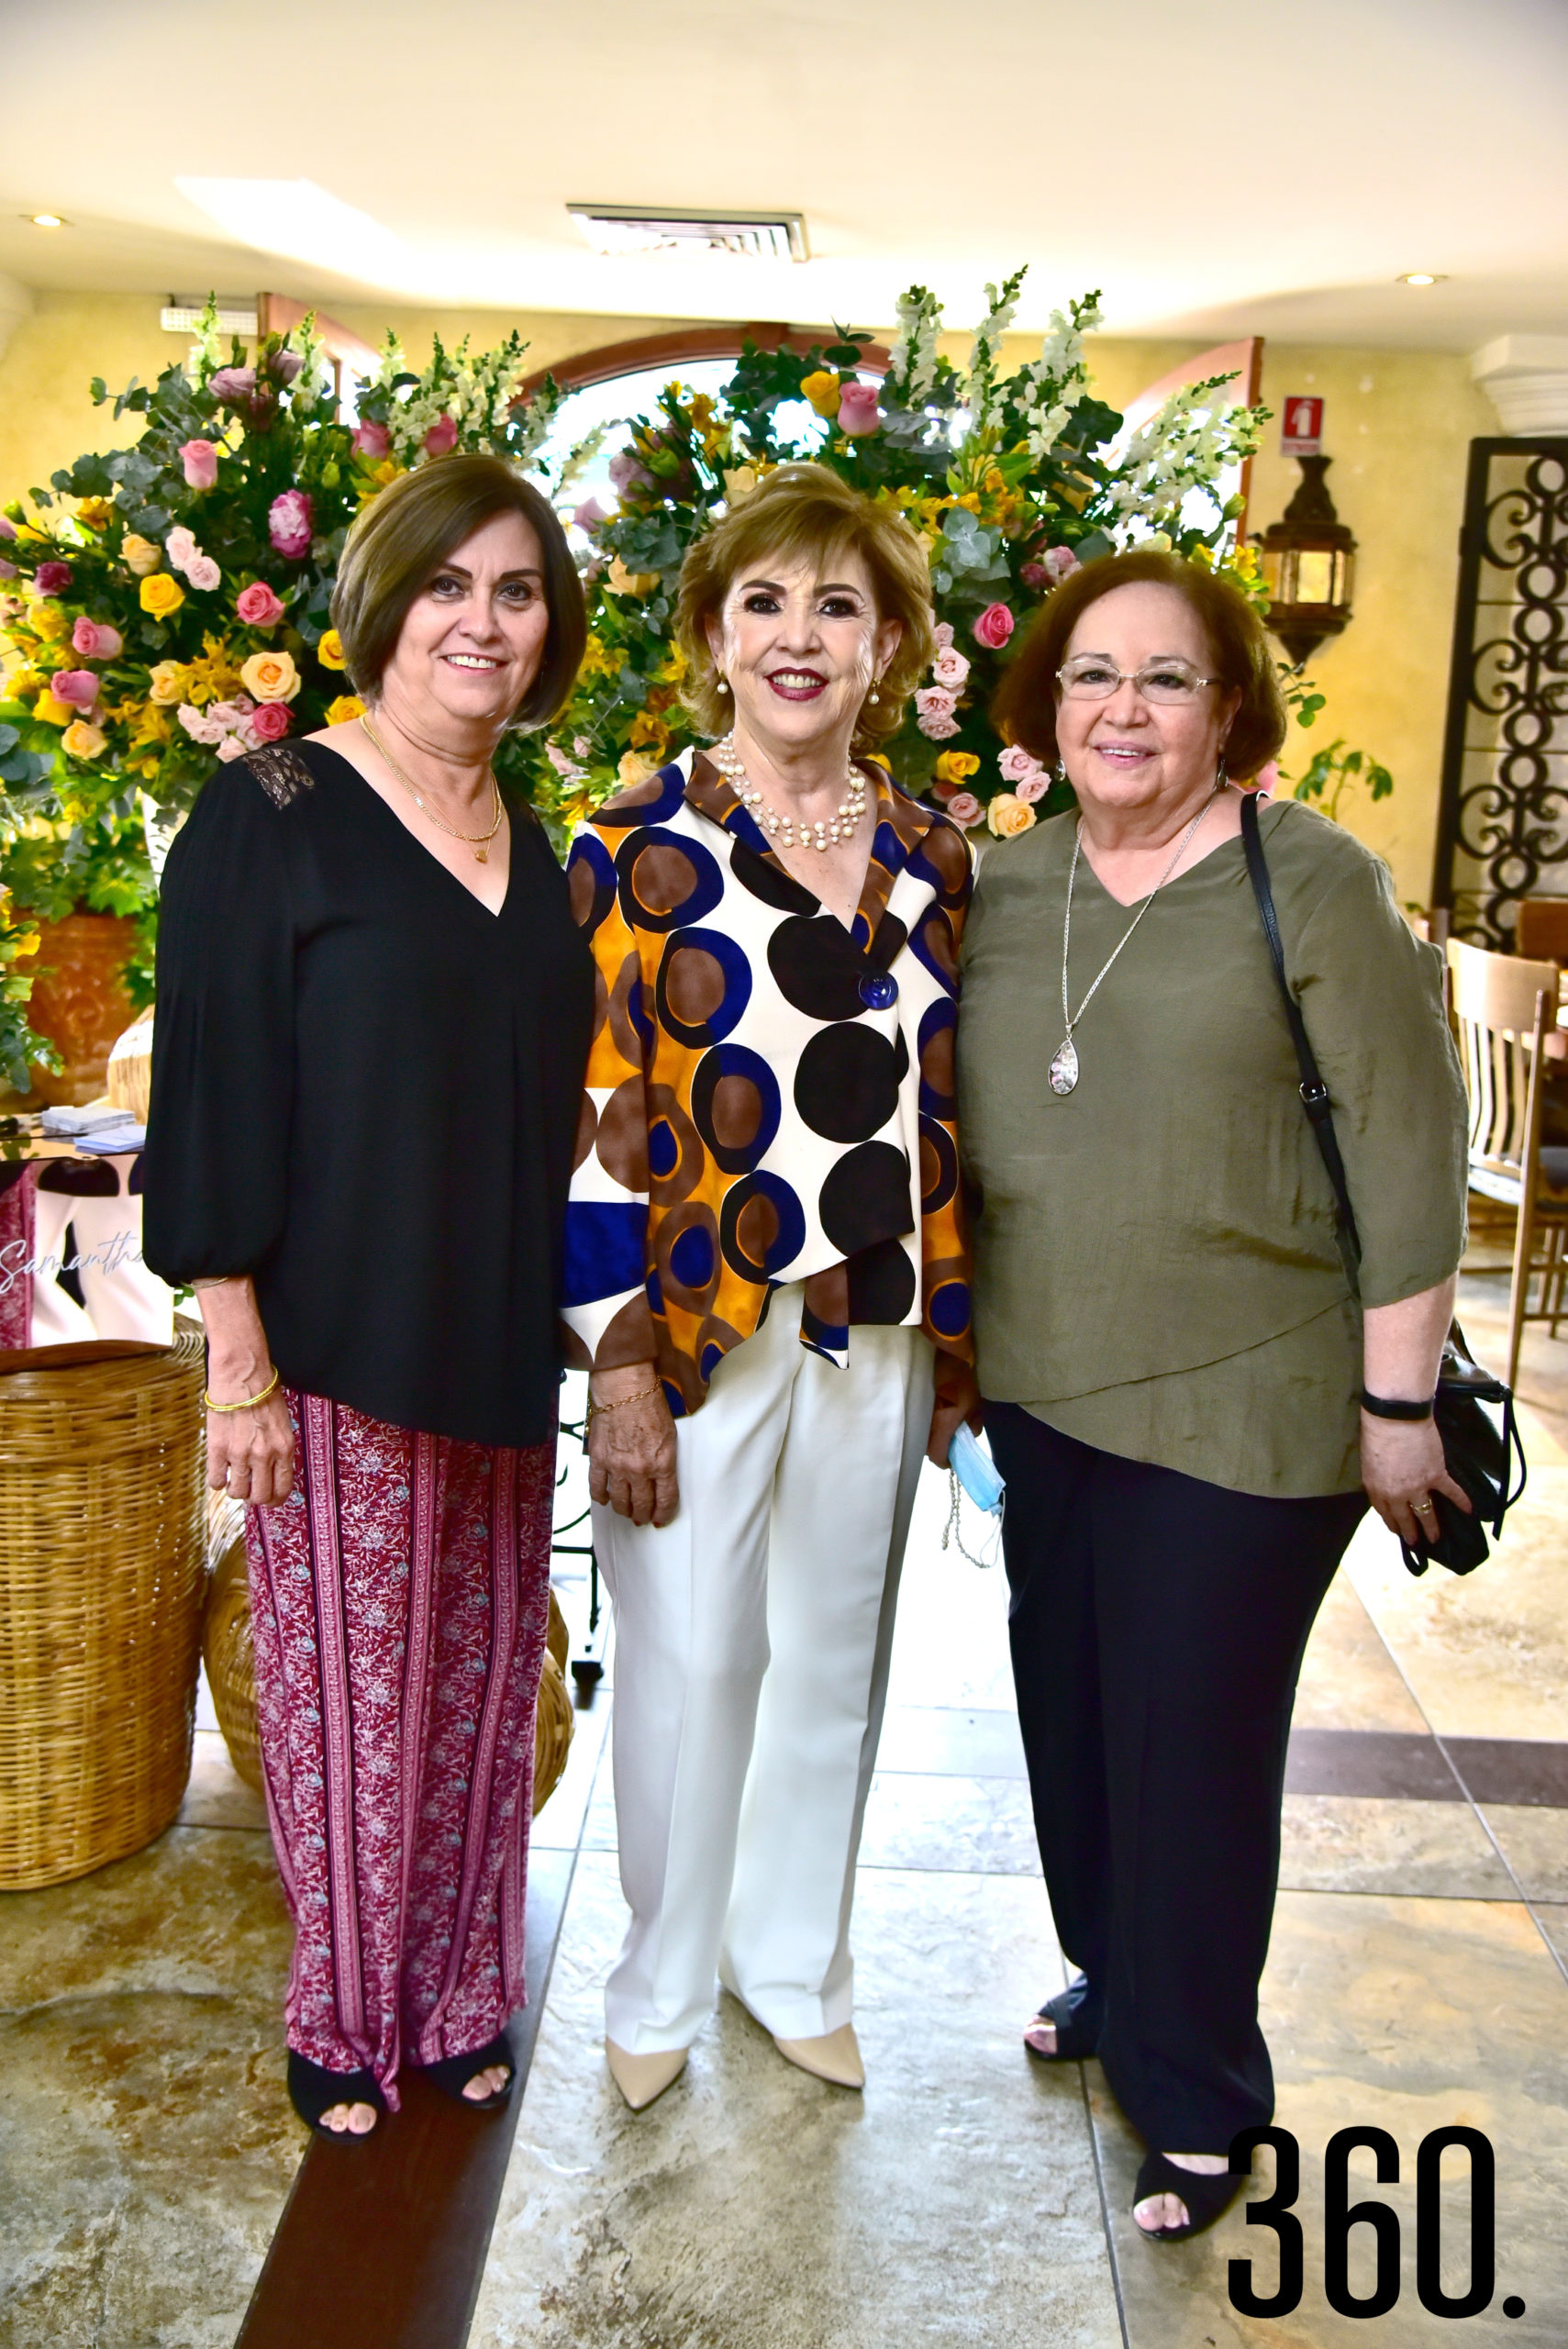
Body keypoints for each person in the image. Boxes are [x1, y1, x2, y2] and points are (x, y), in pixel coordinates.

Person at [957, 548, 1468, 2239]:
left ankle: (1197, 2090)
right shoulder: (1005, 885)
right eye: (1092, 675)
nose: (1123, 707)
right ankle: (1122, 1974)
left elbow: (1408, 1159)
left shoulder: (1311, 883)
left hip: (1254, 1399)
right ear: (1043, 705)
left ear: (1227, 708)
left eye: (1165, 678)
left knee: (1189, 1739)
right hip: (1042, 1386)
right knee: (1077, 1716)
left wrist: (1395, 1412)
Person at [143, 454, 594, 2139]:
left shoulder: (519, 822)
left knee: (486, 1699)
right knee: (349, 1711)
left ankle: (466, 1990)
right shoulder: (270, 813)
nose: (483, 620)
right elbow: (215, 1086)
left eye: (519, 590)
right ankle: (343, 2016)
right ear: (384, 605)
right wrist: (237, 1360)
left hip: (491, 1337)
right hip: (332, 1345)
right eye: (451, 585)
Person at [562, 464, 977, 2110]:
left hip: (869, 1321)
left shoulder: (940, 854)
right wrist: (610, 1361)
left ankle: (794, 1963)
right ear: (710, 637)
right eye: (763, 602)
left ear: (885, 648)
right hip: (692, 1333)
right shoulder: (626, 846)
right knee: (685, 1664)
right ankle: (657, 1984)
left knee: (832, 1657)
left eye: (838, 605)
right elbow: (589, 1123)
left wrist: (963, 1348)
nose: (799, 637)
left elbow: (964, 1106)